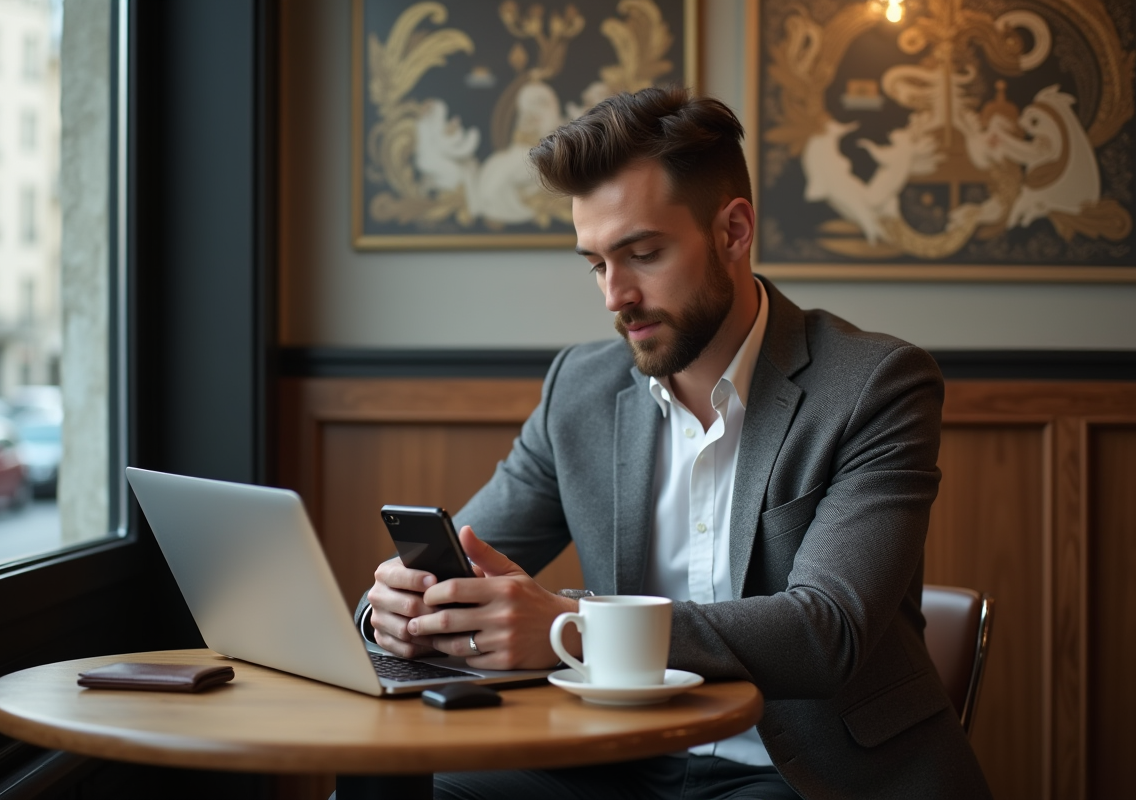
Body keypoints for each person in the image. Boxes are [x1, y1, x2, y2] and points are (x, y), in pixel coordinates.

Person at [355, 87, 993, 800]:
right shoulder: (580, 391)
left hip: (807, 770)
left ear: (733, 231)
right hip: (617, 758)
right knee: (391, 786)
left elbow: (827, 631)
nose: (614, 296)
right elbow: (462, 553)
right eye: (596, 263)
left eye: (643, 253)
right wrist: (395, 607)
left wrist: (575, 627)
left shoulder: (875, 385)